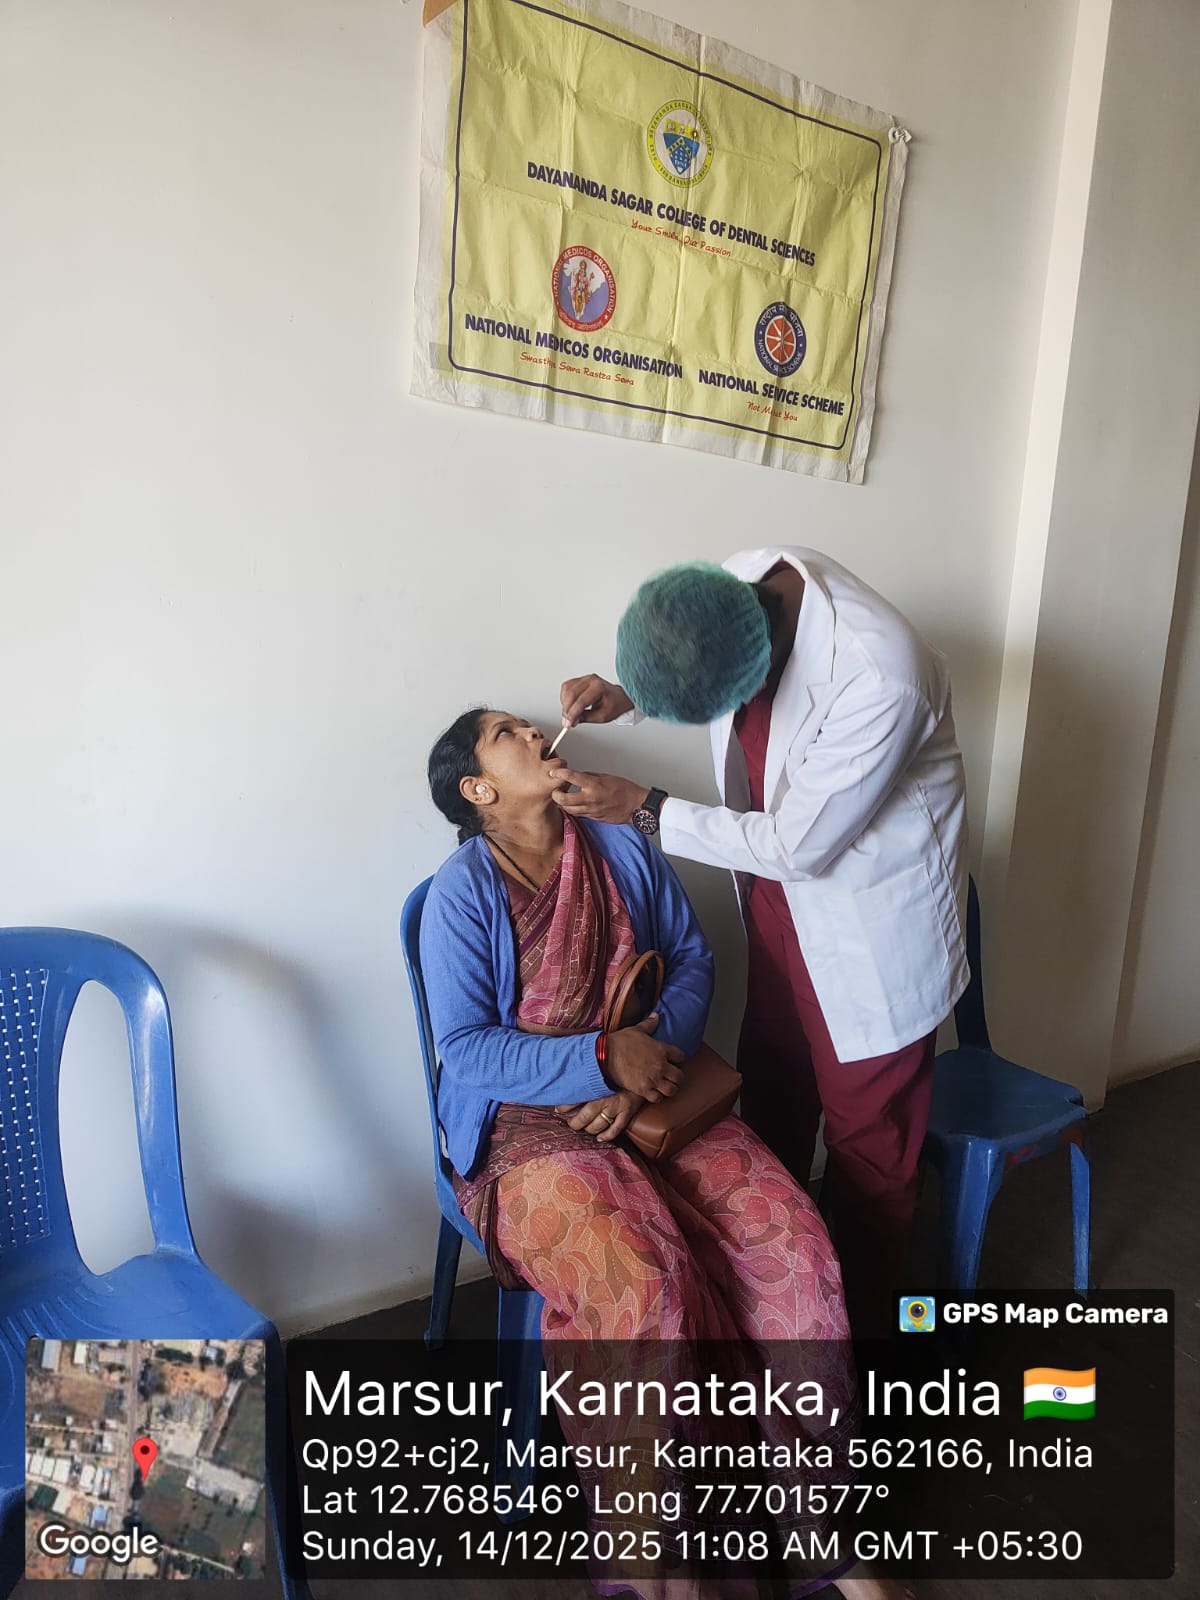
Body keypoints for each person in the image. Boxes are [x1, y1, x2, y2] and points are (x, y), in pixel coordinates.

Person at [420, 706, 911, 1600]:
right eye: (506, 733)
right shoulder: (462, 894)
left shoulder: (616, 845)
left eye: (530, 724)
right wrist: (599, 1059)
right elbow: (468, 1049)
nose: (534, 730)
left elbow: (689, 958)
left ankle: (815, 1527)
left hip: (656, 1095)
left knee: (793, 1241)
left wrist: (643, 1065)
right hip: (526, 1129)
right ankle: (655, 1559)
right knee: (641, 1279)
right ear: (477, 790)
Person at [555, 549, 969, 1338]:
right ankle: (778, 1285)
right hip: (783, 909)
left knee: (869, 1147)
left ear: (766, 665)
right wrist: (628, 693)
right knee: (773, 1088)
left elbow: (799, 845)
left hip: (866, 929)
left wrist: (642, 806)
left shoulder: (881, 673)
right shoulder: (740, 586)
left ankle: (859, 1343)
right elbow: (703, 667)